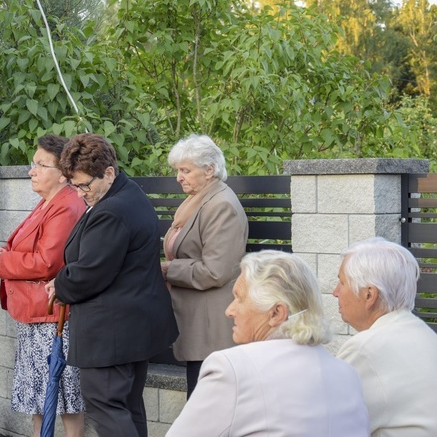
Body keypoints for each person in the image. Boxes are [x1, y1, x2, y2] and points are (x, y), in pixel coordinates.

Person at [45, 133, 179, 437]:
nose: (80, 194)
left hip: (111, 333)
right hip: (129, 328)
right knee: (127, 407)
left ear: (108, 172)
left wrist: (60, 284)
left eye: (84, 185)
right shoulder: (128, 194)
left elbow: (90, 273)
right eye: (74, 185)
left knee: (106, 406)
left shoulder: (112, 210)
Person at [167, 250, 370, 437]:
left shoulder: (232, 369)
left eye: (239, 298)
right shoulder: (347, 373)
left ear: (276, 313)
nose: (229, 310)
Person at [0, 135, 86, 437]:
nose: (32, 171)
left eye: (41, 165)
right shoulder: (48, 202)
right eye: (33, 164)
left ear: (63, 173)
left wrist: (3, 262)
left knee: (65, 400)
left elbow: (47, 263)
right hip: (38, 316)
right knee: (41, 401)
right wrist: (7, 254)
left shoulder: (66, 206)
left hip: (54, 319)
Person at [160, 133, 248, 397]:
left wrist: (166, 269)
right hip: (198, 322)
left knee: (206, 404)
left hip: (212, 330)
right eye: (178, 170)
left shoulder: (221, 205)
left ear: (209, 170)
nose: (179, 177)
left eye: (186, 170)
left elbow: (216, 271)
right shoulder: (199, 199)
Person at [334, 237, 437, 436]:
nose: (335, 292)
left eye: (342, 282)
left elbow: (328, 423)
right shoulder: (422, 333)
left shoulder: (364, 349)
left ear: (369, 295)